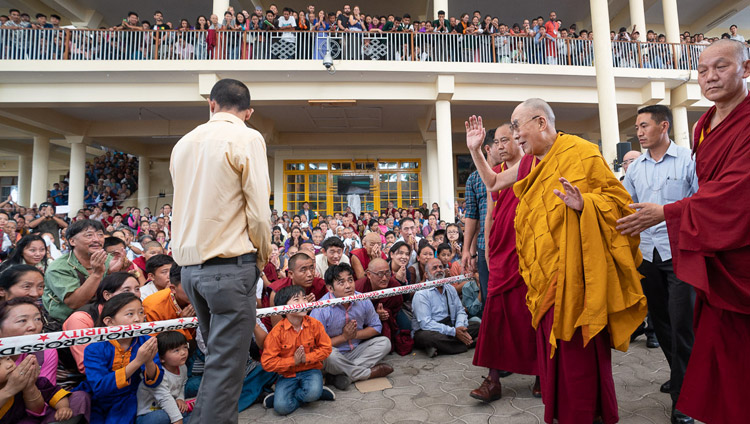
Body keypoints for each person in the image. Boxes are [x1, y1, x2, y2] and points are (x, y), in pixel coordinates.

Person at [465, 99, 647, 424]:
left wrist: (584, 204)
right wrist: (477, 150)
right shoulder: (529, 165)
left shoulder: (582, 151)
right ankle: (564, 412)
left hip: (578, 275)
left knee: (579, 351)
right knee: (554, 351)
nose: (516, 136)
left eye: (518, 126)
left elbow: (619, 203)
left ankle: (588, 413)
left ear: (540, 122)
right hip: (543, 276)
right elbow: (492, 184)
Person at [617, 39, 750, 424]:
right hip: (694, 248)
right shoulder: (704, 125)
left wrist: (668, 213)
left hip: (727, 247)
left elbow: (735, 193)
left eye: (720, 67)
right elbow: (628, 202)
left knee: (706, 336)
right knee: (682, 331)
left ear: (744, 68)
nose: (710, 77)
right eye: (703, 70)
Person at [171, 78, 270, 424]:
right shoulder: (247, 136)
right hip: (229, 266)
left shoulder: (183, 143)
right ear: (248, 112)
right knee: (227, 370)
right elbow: (258, 211)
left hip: (190, 270)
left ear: (211, 104)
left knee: (219, 361)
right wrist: (261, 257)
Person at [621, 105, 698, 424]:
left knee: (682, 325)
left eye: (644, 125)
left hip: (680, 253)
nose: (638, 132)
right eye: (637, 127)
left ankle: (685, 399)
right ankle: (680, 375)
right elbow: (626, 207)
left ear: (664, 125)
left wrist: (665, 212)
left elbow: (700, 202)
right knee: (662, 322)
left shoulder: (688, 161)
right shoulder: (636, 168)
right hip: (648, 255)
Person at [469, 122, 540, 402]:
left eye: (505, 140)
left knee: (531, 313)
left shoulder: (532, 167)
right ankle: (493, 379)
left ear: (519, 141)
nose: (500, 146)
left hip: (527, 250)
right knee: (495, 315)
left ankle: (540, 375)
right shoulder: (495, 172)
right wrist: (485, 247)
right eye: (496, 141)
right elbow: (490, 211)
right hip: (499, 249)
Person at [0, 300, 91, 424]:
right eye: (22, 320)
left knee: (78, 399)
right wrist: (10, 389)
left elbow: (42, 403)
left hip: (28, 414)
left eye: (38, 319)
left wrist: (29, 386)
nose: (33, 326)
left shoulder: (44, 350)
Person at [80, 293, 163, 424]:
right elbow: (100, 387)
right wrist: (137, 362)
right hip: (99, 399)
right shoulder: (94, 348)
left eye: (141, 312)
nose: (138, 319)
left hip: (130, 397)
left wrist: (148, 361)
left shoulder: (146, 341)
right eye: (130, 314)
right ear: (109, 322)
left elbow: (155, 382)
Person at [311, 263, 393, 390]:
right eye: (341, 282)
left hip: (355, 351)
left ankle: (342, 375)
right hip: (334, 354)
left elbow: (376, 327)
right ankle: (367, 374)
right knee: (328, 354)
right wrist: (344, 337)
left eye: (350, 280)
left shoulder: (362, 299)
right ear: (330, 288)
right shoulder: (321, 308)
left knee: (385, 343)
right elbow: (316, 345)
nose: (348, 286)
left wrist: (355, 335)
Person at [261, 285, 335, 415]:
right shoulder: (276, 333)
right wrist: (292, 361)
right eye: (297, 299)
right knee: (281, 408)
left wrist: (306, 358)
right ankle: (314, 394)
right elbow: (267, 362)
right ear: (284, 307)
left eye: (304, 298)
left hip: (311, 371)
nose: (304, 303)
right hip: (287, 375)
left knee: (311, 393)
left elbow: (327, 348)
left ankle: (313, 393)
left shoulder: (315, 324)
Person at [43, 219, 122, 324]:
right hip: (65, 321)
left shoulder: (108, 259)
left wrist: (113, 273)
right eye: (89, 235)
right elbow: (74, 303)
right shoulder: (58, 267)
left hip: (101, 317)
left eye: (100, 235)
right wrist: (97, 274)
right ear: (72, 241)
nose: (97, 240)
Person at [63, 272, 142, 373]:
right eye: (127, 290)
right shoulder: (80, 319)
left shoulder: (137, 313)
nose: (134, 295)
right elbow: (86, 366)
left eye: (137, 289)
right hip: (82, 377)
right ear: (107, 295)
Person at [412, 258, 480, 357]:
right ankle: (468, 344)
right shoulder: (421, 293)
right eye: (434, 268)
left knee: (477, 325)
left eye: (441, 267)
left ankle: (440, 347)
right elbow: (425, 324)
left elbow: (460, 311)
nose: (439, 270)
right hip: (429, 330)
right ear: (426, 275)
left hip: (451, 327)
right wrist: (454, 332)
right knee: (427, 337)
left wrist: (459, 327)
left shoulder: (450, 289)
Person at [355, 258, 413, 355]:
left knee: (407, 325)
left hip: (391, 315)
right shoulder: (359, 288)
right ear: (369, 274)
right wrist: (374, 315)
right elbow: (356, 314)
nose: (385, 278)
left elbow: (398, 304)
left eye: (387, 273)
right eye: (380, 274)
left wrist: (386, 312)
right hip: (366, 322)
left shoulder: (394, 285)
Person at [136, 331, 192, 424]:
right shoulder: (156, 373)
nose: (183, 352)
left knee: (191, 412)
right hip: (149, 414)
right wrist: (177, 420)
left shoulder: (182, 367)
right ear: (161, 358)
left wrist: (180, 398)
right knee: (163, 416)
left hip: (169, 407)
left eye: (185, 347)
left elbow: (183, 383)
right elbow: (164, 397)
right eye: (176, 350)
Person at [143, 266, 196, 341]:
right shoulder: (154, 307)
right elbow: (157, 343)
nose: (196, 291)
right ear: (173, 289)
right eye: (189, 287)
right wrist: (181, 324)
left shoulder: (205, 297)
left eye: (197, 285)